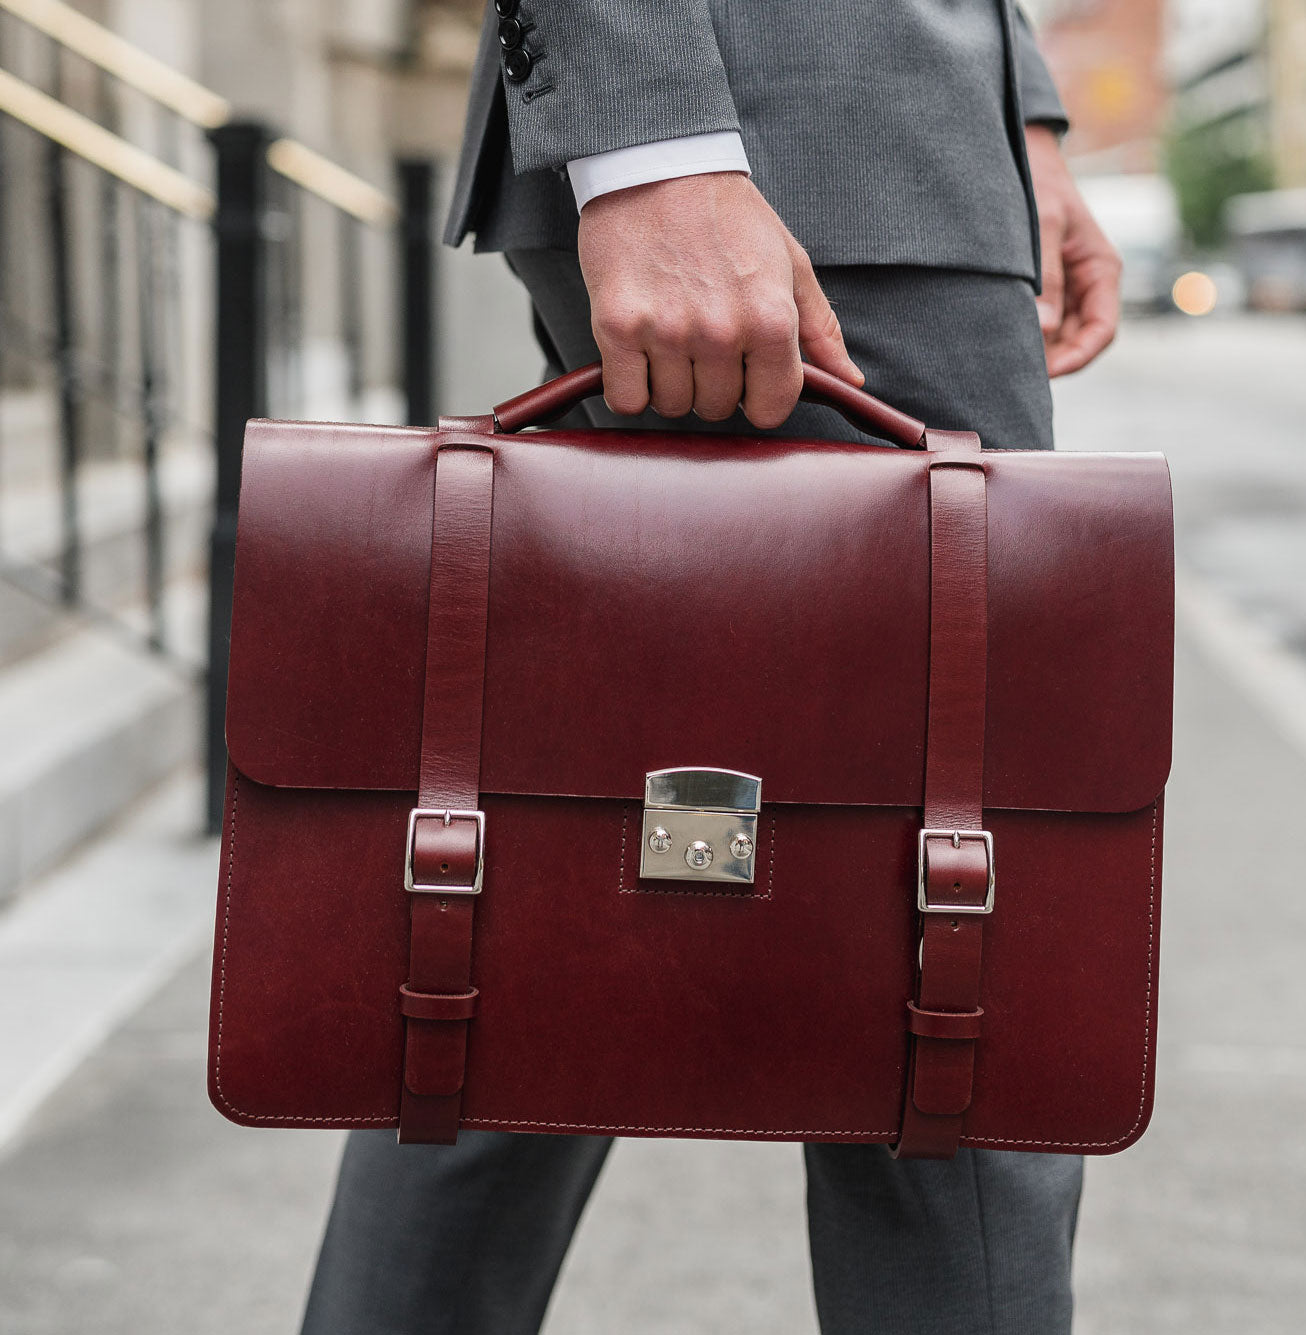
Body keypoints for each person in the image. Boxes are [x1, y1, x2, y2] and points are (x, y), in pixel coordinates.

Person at [300, 3, 1121, 1332]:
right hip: (793, 130)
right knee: (952, 960)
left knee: (533, 907)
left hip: (871, 126)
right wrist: (648, 141)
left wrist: (1013, 107)